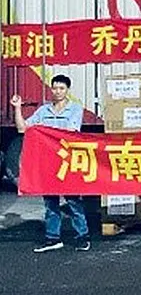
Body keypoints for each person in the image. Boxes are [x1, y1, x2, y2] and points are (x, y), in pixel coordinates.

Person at [11, 75, 90, 253]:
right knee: (50, 203)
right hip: (48, 163)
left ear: (67, 90)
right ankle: (52, 238)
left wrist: (45, 132)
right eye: (55, 88)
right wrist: (17, 108)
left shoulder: (75, 109)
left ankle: (82, 236)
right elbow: (23, 128)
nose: (58, 92)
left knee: (73, 201)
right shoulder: (43, 110)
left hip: (67, 163)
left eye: (61, 88)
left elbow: (70, 132)